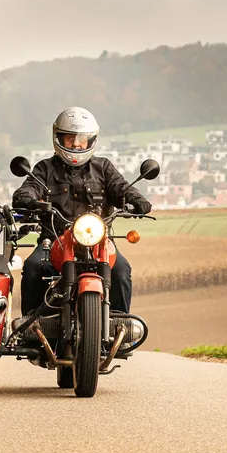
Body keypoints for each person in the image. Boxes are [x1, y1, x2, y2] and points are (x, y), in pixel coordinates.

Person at [12, 107, 152, 315]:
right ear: (58, 138)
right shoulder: (45, 169)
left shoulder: (103, 168)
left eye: (82, 138)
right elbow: (27, 189)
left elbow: (121, 187)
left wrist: (137, 200)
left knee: (121, 270)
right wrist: (29, 200)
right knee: (33, 267)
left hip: (98, 241)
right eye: (70, 138)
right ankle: (29, 327)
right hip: (55, 240)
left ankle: (121, 326)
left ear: (91, 141)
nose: (76, 144)